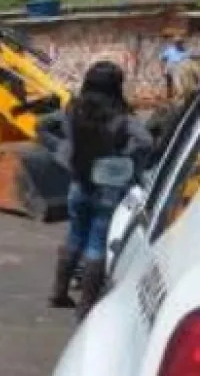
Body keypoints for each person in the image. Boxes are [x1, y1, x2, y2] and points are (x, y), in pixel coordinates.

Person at [38, 60, 153, 321]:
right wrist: (127, 159)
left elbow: (42, 125)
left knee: (74, 235)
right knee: (97, 244)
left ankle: (58, 292)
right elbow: (145, 141)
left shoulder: (73, 110)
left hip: (78, 182)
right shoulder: (122, 117)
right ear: (116, 86)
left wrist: (61, 150)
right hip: (109, 189)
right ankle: (86, 307)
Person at [160, 31, 191, 99]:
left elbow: (187, 61)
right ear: (175, 43)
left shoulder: (185, 51)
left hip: (181, 67)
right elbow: (163, 59)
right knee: (173, 74)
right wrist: (162, 69)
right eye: (177, 42)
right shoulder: (170, 50)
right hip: (171, 66)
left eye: (180, 42)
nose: (179, 44)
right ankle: (174, 93)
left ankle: (182, 91)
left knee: (183, 71)